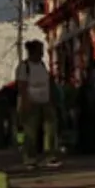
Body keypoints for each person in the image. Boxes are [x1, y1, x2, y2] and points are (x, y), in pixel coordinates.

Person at [16, 40, 59, 169]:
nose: (41, 53)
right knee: (31, 132)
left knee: (50, 128)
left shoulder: (42, 65)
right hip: (31, 101)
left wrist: (51, 98)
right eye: (39, 50)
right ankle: (30, 158)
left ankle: (50, 156)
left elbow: (48, 83)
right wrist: (25, 102)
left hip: (45, 101)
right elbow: (22, 86)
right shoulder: (24, 67)